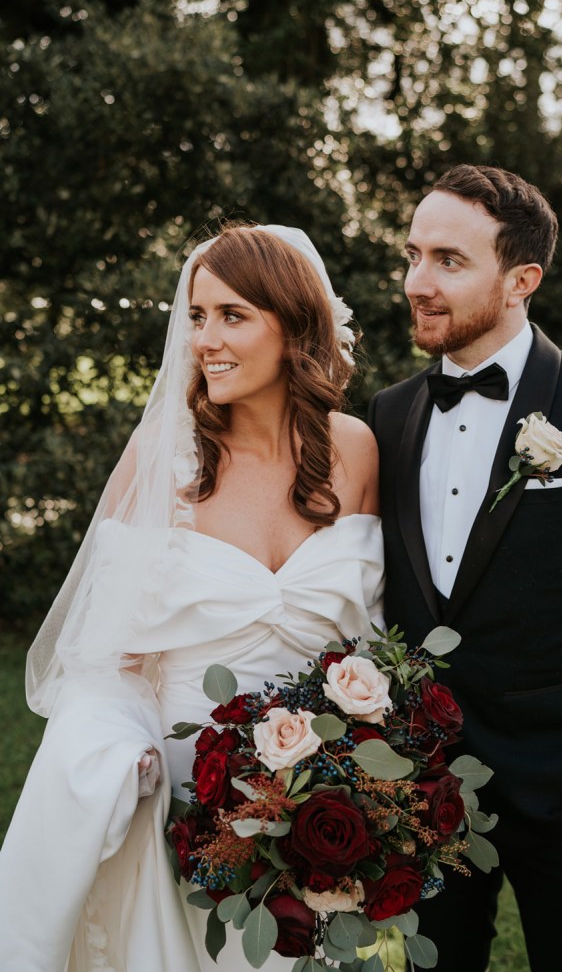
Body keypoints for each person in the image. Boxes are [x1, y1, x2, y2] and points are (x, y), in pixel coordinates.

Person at [0, 224, 383, 971]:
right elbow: (101, 658)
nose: (204, 337)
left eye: (232, 315)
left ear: (293, 326)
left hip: (318, 807)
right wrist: (118, 751)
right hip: (186, 798)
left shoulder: (356, 449)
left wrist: (368, 786)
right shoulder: (165, 461)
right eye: (198, 315)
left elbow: (370, 643)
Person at [368, 164, 562, 972]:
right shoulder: (386, 417)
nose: (416, 282)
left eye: (448, 260)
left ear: (521, 280)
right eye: (412, 255)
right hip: (420, 798)